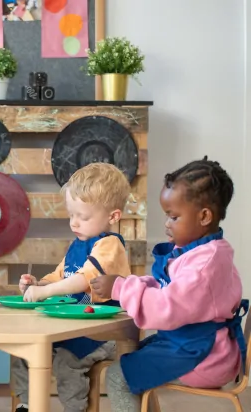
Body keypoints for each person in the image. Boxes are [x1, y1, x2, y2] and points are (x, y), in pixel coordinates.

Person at [91, 157, 248, 412]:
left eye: (173, 217)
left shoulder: (204, 264)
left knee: (119, 377)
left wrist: (121, 288)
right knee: (132, 359)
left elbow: (167, 306)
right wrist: (129, 284)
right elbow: (170, 287)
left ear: (204, 216)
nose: (167, 224)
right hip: (200, 346)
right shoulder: (206, 252)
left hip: (203, 356)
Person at [11, 162, 133, 412]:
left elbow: (84, 278)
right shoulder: (78, 244)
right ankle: (26, 403)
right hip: (76, 326)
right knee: (25, 348)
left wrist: (45, 293)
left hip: (106, 331)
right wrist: (39, 283)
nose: (74, 223)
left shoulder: (110, 245)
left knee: (68, 361)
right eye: (71, 215)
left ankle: (75, 409)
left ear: (113, 216)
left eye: (83, 217)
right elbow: (60, 276)